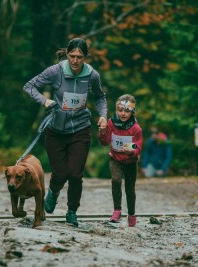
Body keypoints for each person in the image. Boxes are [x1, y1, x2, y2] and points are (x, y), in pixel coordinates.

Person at [23, 38, 107, 227]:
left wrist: (103, 115)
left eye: (80, 57)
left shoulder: (92, 75)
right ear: (67, 54)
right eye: (72, 56)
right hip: (56, 130)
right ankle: (53, 192)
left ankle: (71, 211)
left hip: (80, 128)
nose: (75, 61)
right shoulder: (56, 71)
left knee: (75, 174)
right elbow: (29, 86)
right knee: (60, 173)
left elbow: (100, 97)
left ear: (85, 57)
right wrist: (45, 101)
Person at [98, 94, 143, 227]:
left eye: (127, 111)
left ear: (132, 112)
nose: (123, 113)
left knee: (130, 189)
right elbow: (105, 142)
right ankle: (117, 210)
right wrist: (102, 132)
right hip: (115, 159)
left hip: (130, 161)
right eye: (120, 110)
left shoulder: (136, 128)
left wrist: (132, 151)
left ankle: (132, 214)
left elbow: (138, 146)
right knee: (116, 181)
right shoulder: (111, 123)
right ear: (116, 109)